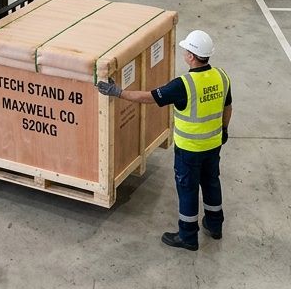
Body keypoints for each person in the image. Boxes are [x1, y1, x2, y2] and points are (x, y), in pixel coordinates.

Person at [97, 30, 231, 251]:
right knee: (211, 183)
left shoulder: (184, 85)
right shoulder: (221, 76)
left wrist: (118, 92)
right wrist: (224, 129)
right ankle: (215, 225)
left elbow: (149, 97)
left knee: (188, 190)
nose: (184, 53)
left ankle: (188, 236)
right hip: (213, 145)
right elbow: (228, 106)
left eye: (186, 51)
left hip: (189, 150)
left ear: (191, 56)